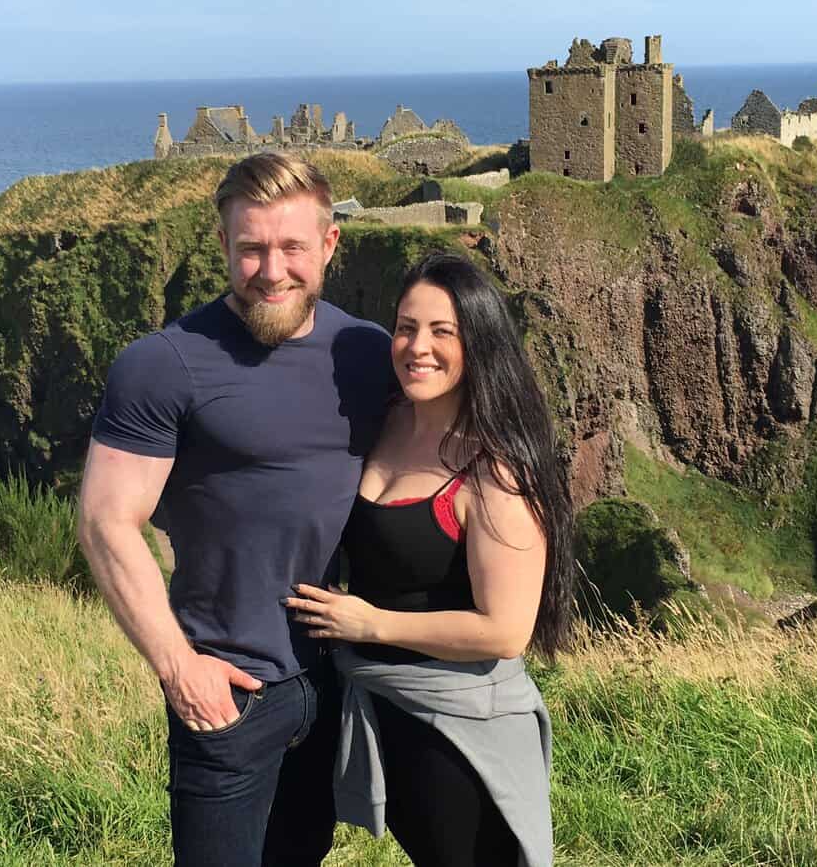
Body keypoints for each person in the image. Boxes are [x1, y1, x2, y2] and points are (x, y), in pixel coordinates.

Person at [77, 152, 395, 866]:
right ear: (222, 245)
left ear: (330, 245)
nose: (271, 270)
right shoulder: (162, 363)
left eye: (291, 247)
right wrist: (178, 666)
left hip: (335, 682)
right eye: (250, 248)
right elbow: (105, 521)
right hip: (230, 694)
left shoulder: (368, 354)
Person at [285, 253, 576, 867]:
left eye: (443, 332)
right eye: (406, 327)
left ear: (480, 343)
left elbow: (505, 629)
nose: (418, 347)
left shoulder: (495, 469)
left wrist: (371, 626)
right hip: (384, 709)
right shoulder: (386, 421)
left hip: (461, 727)